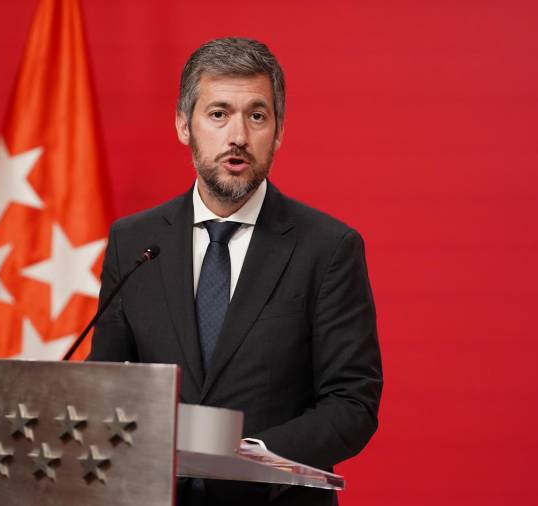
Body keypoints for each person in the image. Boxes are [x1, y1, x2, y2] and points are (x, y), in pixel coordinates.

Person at [88, 37, 383, 506]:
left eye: (257, 116)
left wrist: (253, 459)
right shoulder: (134, 241)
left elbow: (352, 404)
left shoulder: (327, 248)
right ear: (185, 125)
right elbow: (105, 383)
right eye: (219, 113)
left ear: (279, 131)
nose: (239, 136)